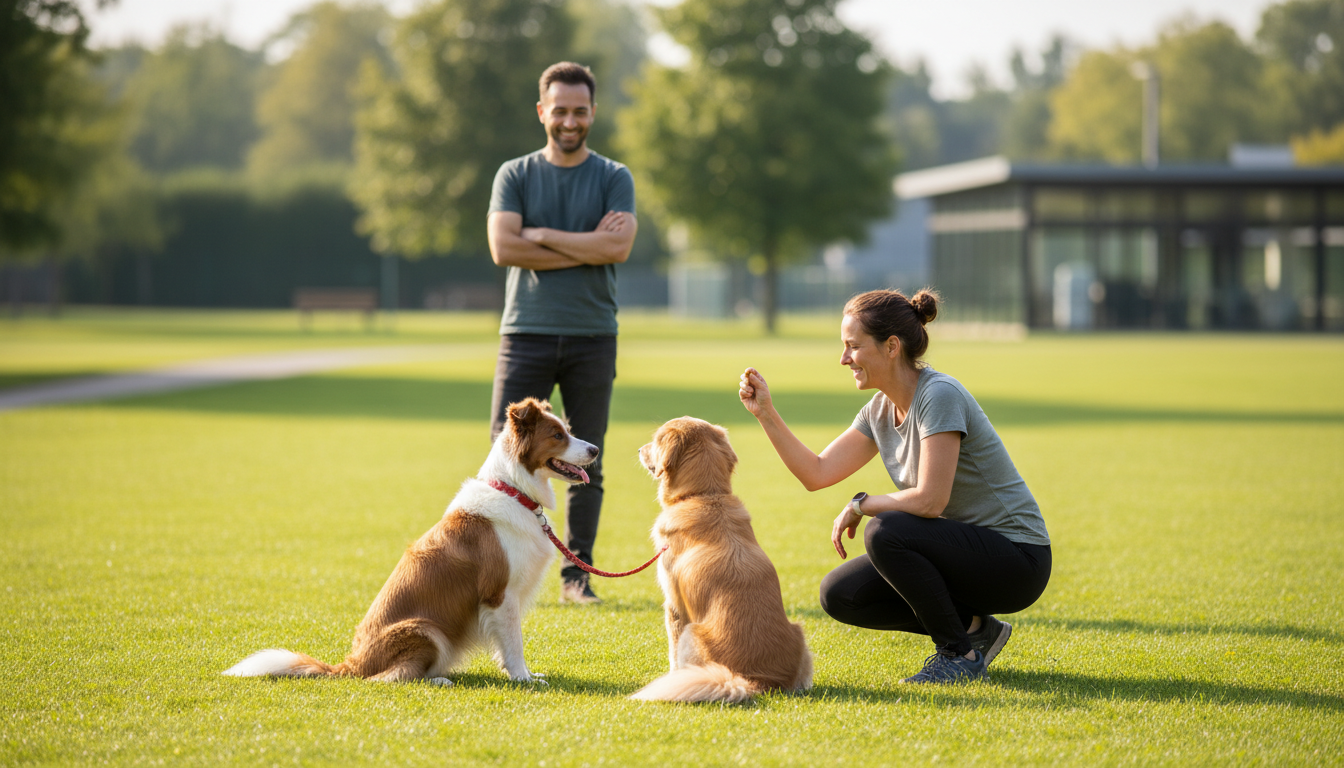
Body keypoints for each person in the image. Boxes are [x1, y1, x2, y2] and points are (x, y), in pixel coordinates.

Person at [737, 289, 1051, 683]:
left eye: (853, 346)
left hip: (1018, 559)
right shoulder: (878, 411)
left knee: (887, 530)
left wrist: (862, 504)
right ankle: (975, 631)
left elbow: (930, 501)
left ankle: (959, 656)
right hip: (963, 554)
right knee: (841, 594)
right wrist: (766, 412)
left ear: (891, 347)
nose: (844, 358)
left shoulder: (939, 395)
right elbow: (816, 473)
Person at [486, 62, 637, 604]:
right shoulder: (515, 174)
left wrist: (543, 234)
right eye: (560, 110)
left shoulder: (614, 177)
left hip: (593, 335)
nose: (569, 120)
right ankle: (498, 564)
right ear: (542, 111)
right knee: (503, 452)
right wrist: (584, 244)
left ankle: (578, 577)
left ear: (592, 113)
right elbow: (504, 249)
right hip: (524, 331)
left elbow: (616, 248)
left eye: (579, 111)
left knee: (585, 458)